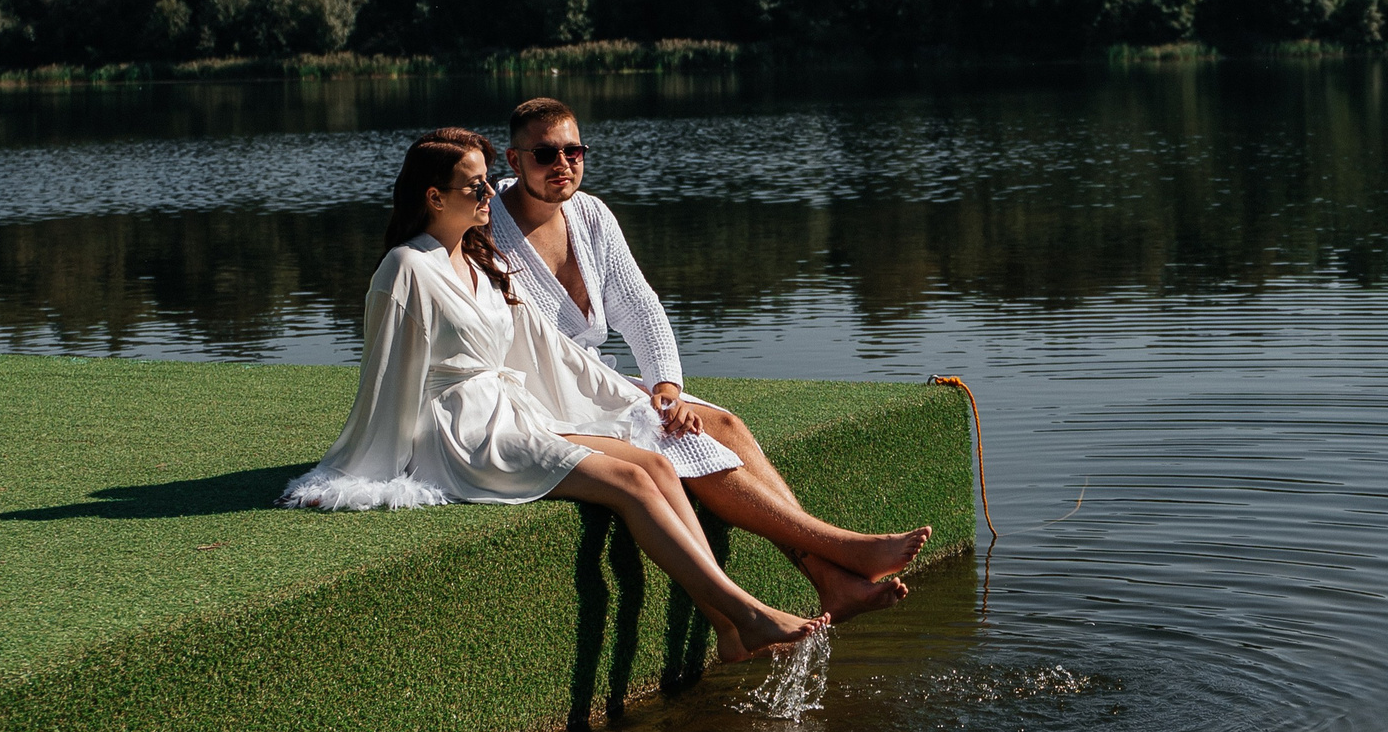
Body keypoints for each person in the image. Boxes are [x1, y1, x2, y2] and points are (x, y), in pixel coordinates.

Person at [280, 127, 829, 663]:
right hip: (461, 434)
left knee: (656, 465)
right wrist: (374, 467)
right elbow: (384, 377)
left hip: (514, 415)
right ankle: (748, 614)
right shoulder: (405, 268)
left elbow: (548, 352)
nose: (489, 194)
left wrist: (640, 399)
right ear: (434, 196)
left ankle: (728, 627)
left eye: (488, 181)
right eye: (475, 186)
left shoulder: (477, 260)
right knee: (632, 481)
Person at [489, 97, 928, 622]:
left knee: (725, 423)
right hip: (542, 400)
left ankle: (830, 578)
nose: (563, 165)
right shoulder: (486, 228)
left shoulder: (590, 215)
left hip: (592, 383)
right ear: (514, 162)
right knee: (686, 442)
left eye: (574, 151)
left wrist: (665, 388)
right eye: (545, 154)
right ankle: (841, 551)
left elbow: (640, 306)